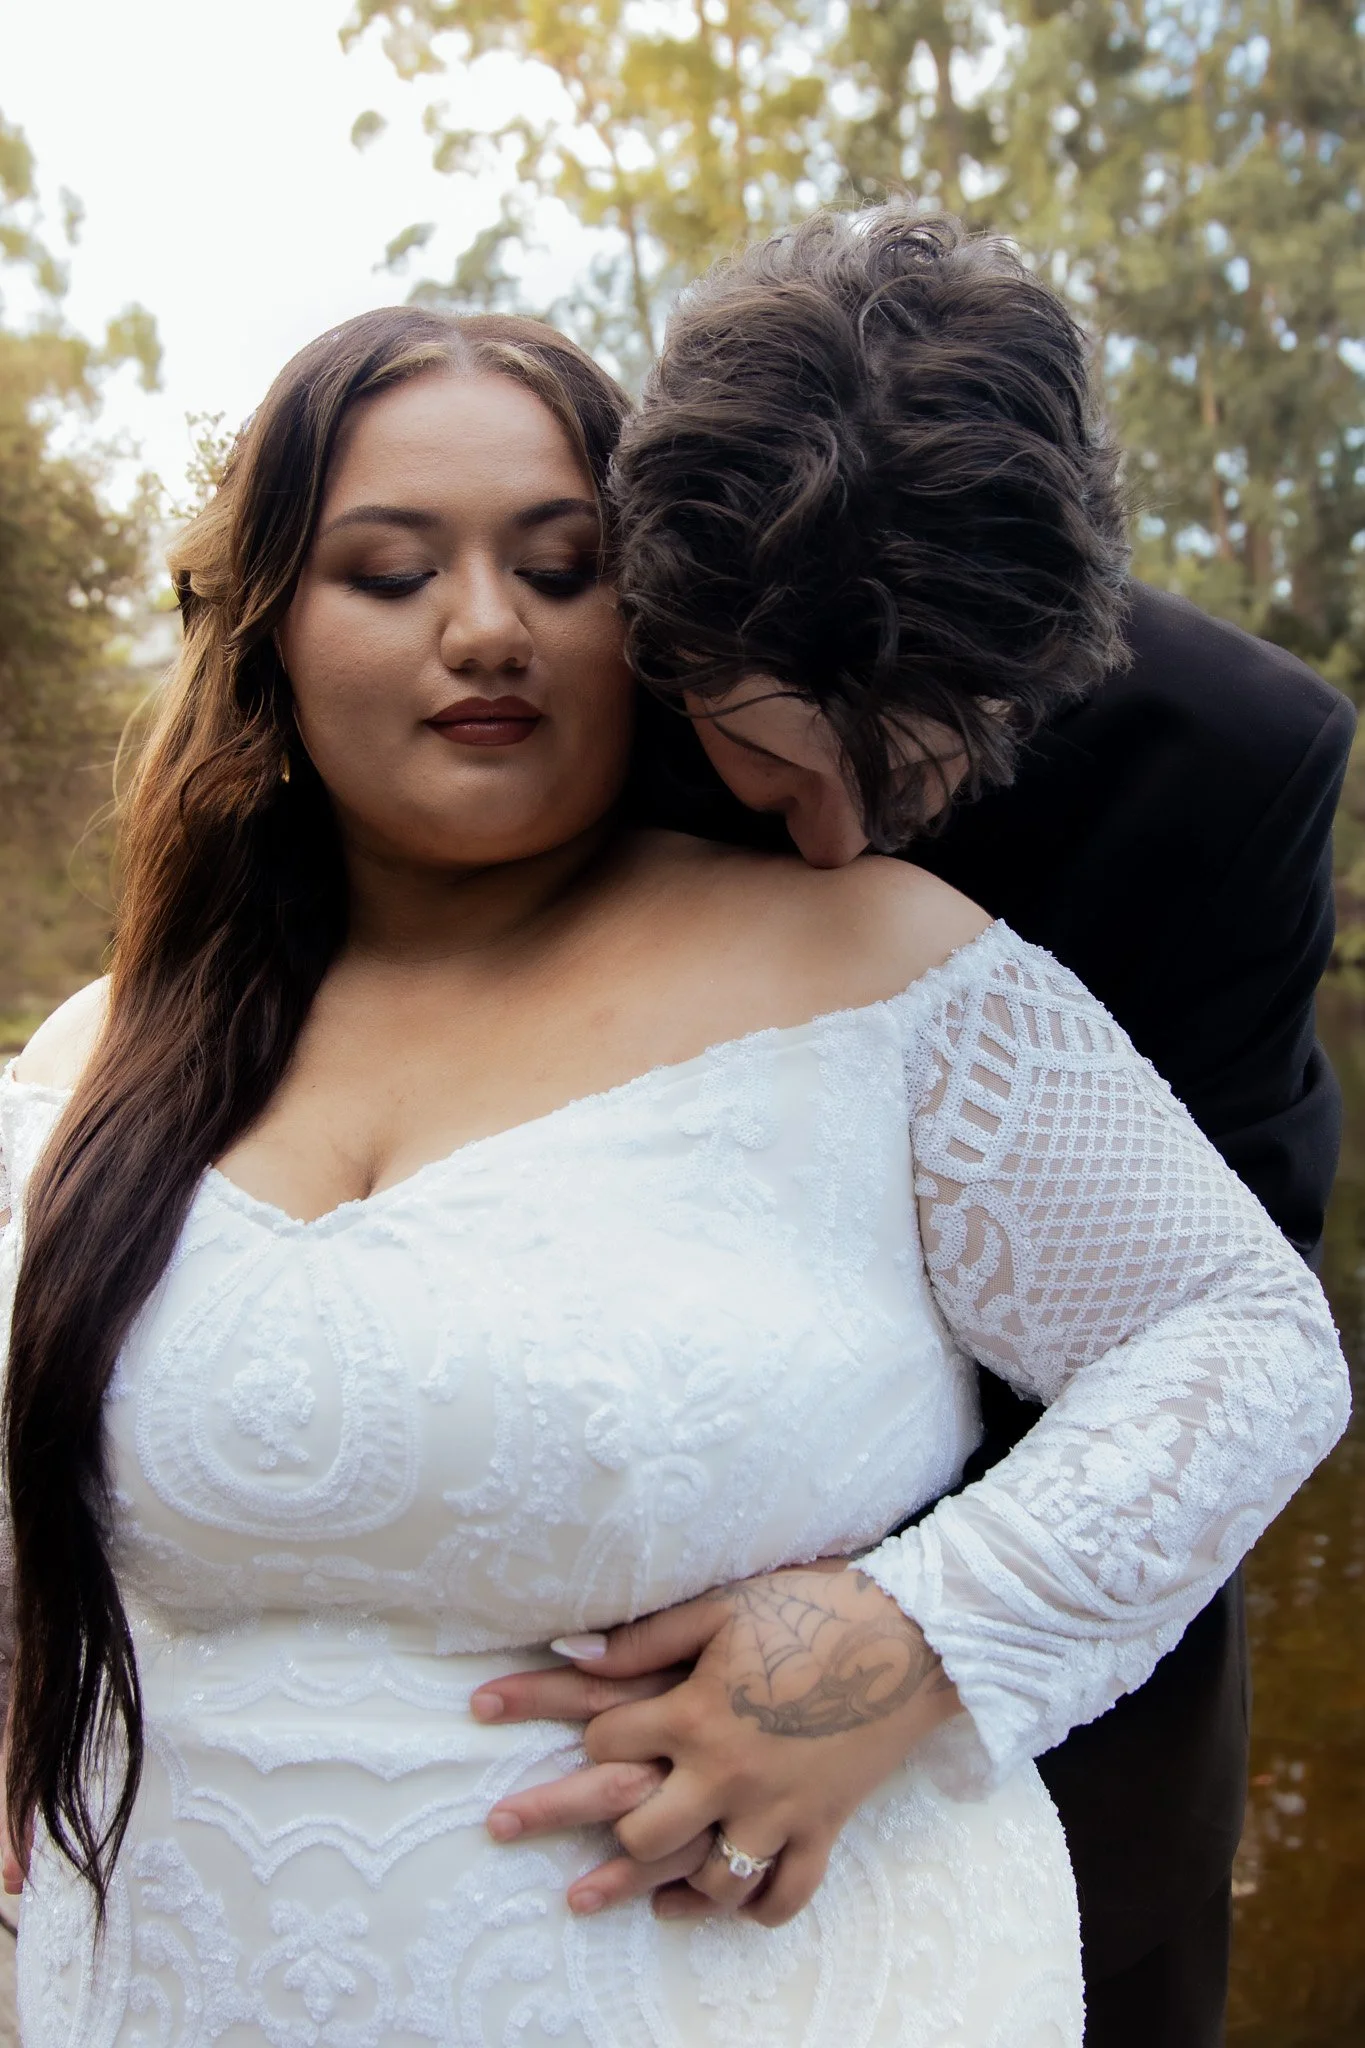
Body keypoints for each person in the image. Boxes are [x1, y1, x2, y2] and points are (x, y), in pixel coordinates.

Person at [0, 299, 1348, 2048]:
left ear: (641, 616)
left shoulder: (894, 953)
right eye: (391, 573)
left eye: (561, 570)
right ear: (263, 632)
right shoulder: (96, 1049)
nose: (488, 627)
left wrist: (917, 1633)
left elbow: (1239, 1330)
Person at [471, 209, 1357, 2048]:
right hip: (615, 1590)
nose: (835, 847)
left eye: (915, 776)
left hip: (1069, 1642)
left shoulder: (1240, 759)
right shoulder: (579, 672)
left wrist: (913, 1631)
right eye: (764, 758)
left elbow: (1217, 1306)